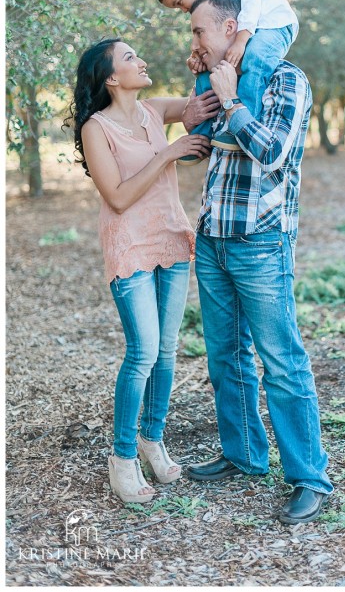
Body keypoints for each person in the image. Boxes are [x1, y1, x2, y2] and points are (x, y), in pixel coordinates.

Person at [182, 0, 333, 525]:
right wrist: (200, 98)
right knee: (225, 357)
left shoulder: (287, 80)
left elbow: (273, 153)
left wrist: (231, 101)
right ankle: (244, 454)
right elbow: (200, 146)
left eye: (199, 32)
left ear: (231, 28)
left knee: (282, 362)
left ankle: (309, 477)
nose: (194, 42)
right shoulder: (218, 79)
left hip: (261, 242)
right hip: (213, 237)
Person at [67, 38, 215, 504]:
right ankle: (123, 457)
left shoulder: (153, 110)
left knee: (167, 351)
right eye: (130, 57)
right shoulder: (96, 128)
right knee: (143, 352)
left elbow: (199, 103)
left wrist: (204, 63)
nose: (141, 60)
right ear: (112, 77)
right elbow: (117, 197)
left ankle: (152, 439)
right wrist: (168, 154)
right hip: (130, 245)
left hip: (170, 238)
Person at [152, 0, 299, 162]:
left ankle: (242, 123)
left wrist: (240, 41)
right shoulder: (208, 1)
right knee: (208, 70)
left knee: (255, 58)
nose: (183, 10)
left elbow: (251, 1)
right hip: (247, 32)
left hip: (274, 23)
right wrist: (197, 56)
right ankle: (202, 137)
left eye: (179, 3)